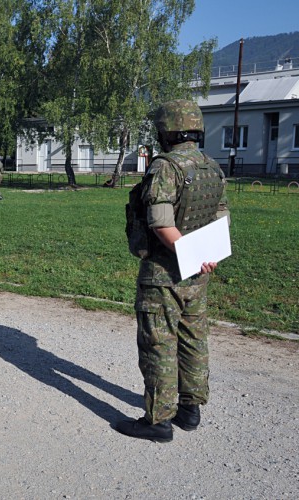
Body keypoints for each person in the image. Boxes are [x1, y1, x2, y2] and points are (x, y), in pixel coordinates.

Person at [116, 99, 229, 443]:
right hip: (198, 275)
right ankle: (190, 411)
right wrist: (205, 257)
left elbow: (161, 223)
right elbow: (222, 217)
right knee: (194, 340)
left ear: (166, 130)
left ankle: (158, 422)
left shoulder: (166, 167)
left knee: (158, 345)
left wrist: (190, 254)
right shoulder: (211, 166)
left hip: (164, 275)